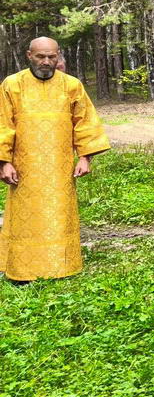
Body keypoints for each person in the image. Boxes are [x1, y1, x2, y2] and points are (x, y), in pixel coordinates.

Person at [0, 37, 109, 284]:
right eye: (41, 56)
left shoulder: (71, 85)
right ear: (29, 55)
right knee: (25, 218)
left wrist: (85, 157)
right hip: (24, 167)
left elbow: (85, 123)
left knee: (59, 216)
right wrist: (4, 162)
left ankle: (61, 266)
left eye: (51, 56)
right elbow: (3, 124)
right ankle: (22, 270)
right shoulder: (12, 85)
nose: (46, 62)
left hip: (60, 167)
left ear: (58, 55)